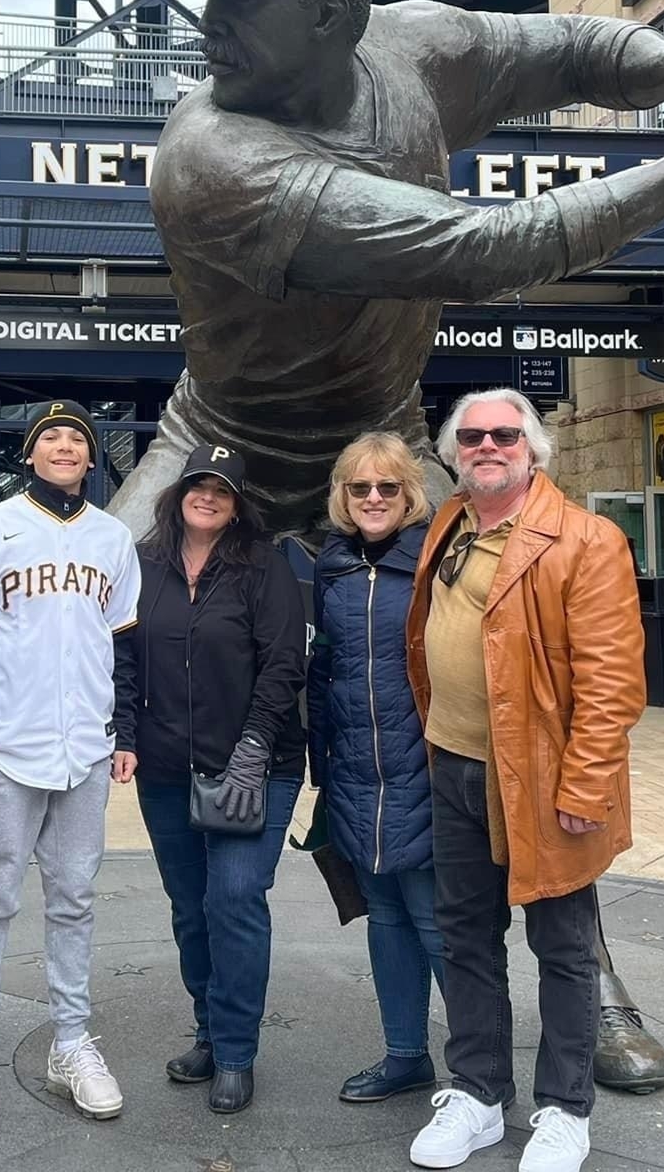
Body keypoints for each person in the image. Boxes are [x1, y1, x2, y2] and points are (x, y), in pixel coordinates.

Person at [0, 0, 664, 1089]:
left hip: (377, 447)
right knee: (56, 668)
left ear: (330, 8)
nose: (203, 25)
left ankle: (588, 967)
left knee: (492, 687)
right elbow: (482, 250)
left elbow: (572, 48)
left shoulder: (420, 48)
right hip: (220, 450)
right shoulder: (208, 152)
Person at [404, 390, 646, 1172]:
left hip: (543, 780)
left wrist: (584, 787)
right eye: (471, 436)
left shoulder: (586, 539)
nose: (487, 447)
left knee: (564, 948)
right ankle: (477, 1094)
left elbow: (613, 683)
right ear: (452, 452)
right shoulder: (451, 522)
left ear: (532, 447)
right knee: (466, 937)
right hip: (457, 765)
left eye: (504, 435)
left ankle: (565, 1108)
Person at [0, 401, 141, 1140]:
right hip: (7, 744)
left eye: (77, 438)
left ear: (91, 458)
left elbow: (123, 646)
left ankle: (70, 1042)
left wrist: (127, 729)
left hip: (86, 743)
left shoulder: (113, 536)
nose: (64, 445)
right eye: (50, 436)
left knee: (75, 896)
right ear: (31, 455)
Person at [130, 442, 308, 1116]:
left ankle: (236, 1051)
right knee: (190, 904)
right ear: (179, 494)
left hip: (254, 764)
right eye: (198, 484)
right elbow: (124, 655)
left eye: (223, 489)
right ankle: (207, 1028)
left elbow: (283, 661)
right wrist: (126, 739)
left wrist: (254, 747)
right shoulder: (145, 562)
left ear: (238, 506)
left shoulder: (265, 566)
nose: (208, 496)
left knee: (233, 898)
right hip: (168, 765)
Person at [309, 432, 442, 1105]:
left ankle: (482, 1072)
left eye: (387, 486)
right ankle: (405, 1054)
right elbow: (324, 668)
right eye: (360, 487)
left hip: (424, 774)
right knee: (387, 918)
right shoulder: (332, 571)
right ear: (342, 496)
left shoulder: (436, 566)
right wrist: (321, 767)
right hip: (359, 775)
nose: (373, 498)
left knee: (439, 925)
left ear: (409, 494)